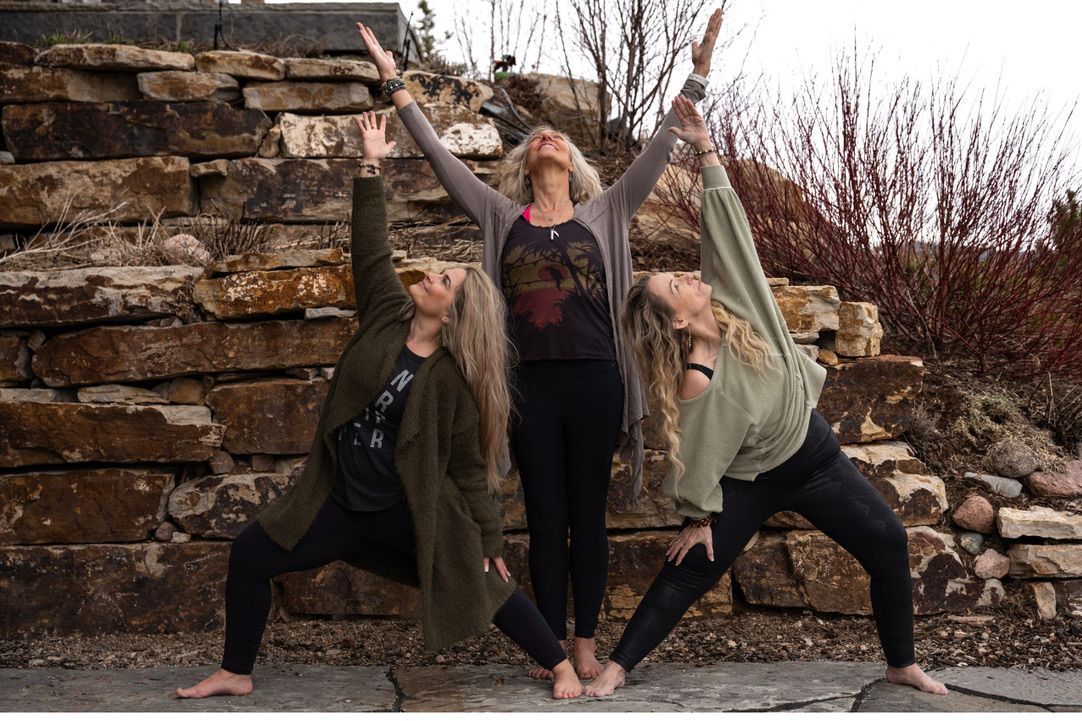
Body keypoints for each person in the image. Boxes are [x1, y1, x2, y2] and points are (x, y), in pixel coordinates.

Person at [354, 10, 724, 680]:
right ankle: (552, 646)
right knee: (545, 517)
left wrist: (696, 74)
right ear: (525, 163)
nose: (548, 138)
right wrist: (394, 82)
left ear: (571, 163)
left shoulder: (605, 210)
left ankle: (585, 645)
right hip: (529, 386)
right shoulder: (501, 216)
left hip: (595, 381)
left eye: (557, 136)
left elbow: (663, 142)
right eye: (538, 138)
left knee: (589, 515)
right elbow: (441, 159)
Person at [175, 111, 584, 701]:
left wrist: (489, 540)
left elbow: (469, 471)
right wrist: (370, 164)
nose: (430, 277)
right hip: (338, 499)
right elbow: (370, 252)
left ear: (454, 313)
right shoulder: (389, 316)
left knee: (483, 583)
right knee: (250, 554)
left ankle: (560, 663)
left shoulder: (454, 382)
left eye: (443, 280)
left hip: (405, 507)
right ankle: (236, 671)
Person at [584, 95, 950, 697]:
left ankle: (900, 663)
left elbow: (731, 237)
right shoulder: (697, 376)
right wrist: (698, 516)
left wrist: (704, 149)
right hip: (751, 482)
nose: (691, 276)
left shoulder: (739, 309)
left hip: (816, 459)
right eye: (678, 283)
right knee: (691, 567)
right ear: (676, 320)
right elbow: (696, 453)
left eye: (683, 271)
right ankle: (619, 667)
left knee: (886, 541)